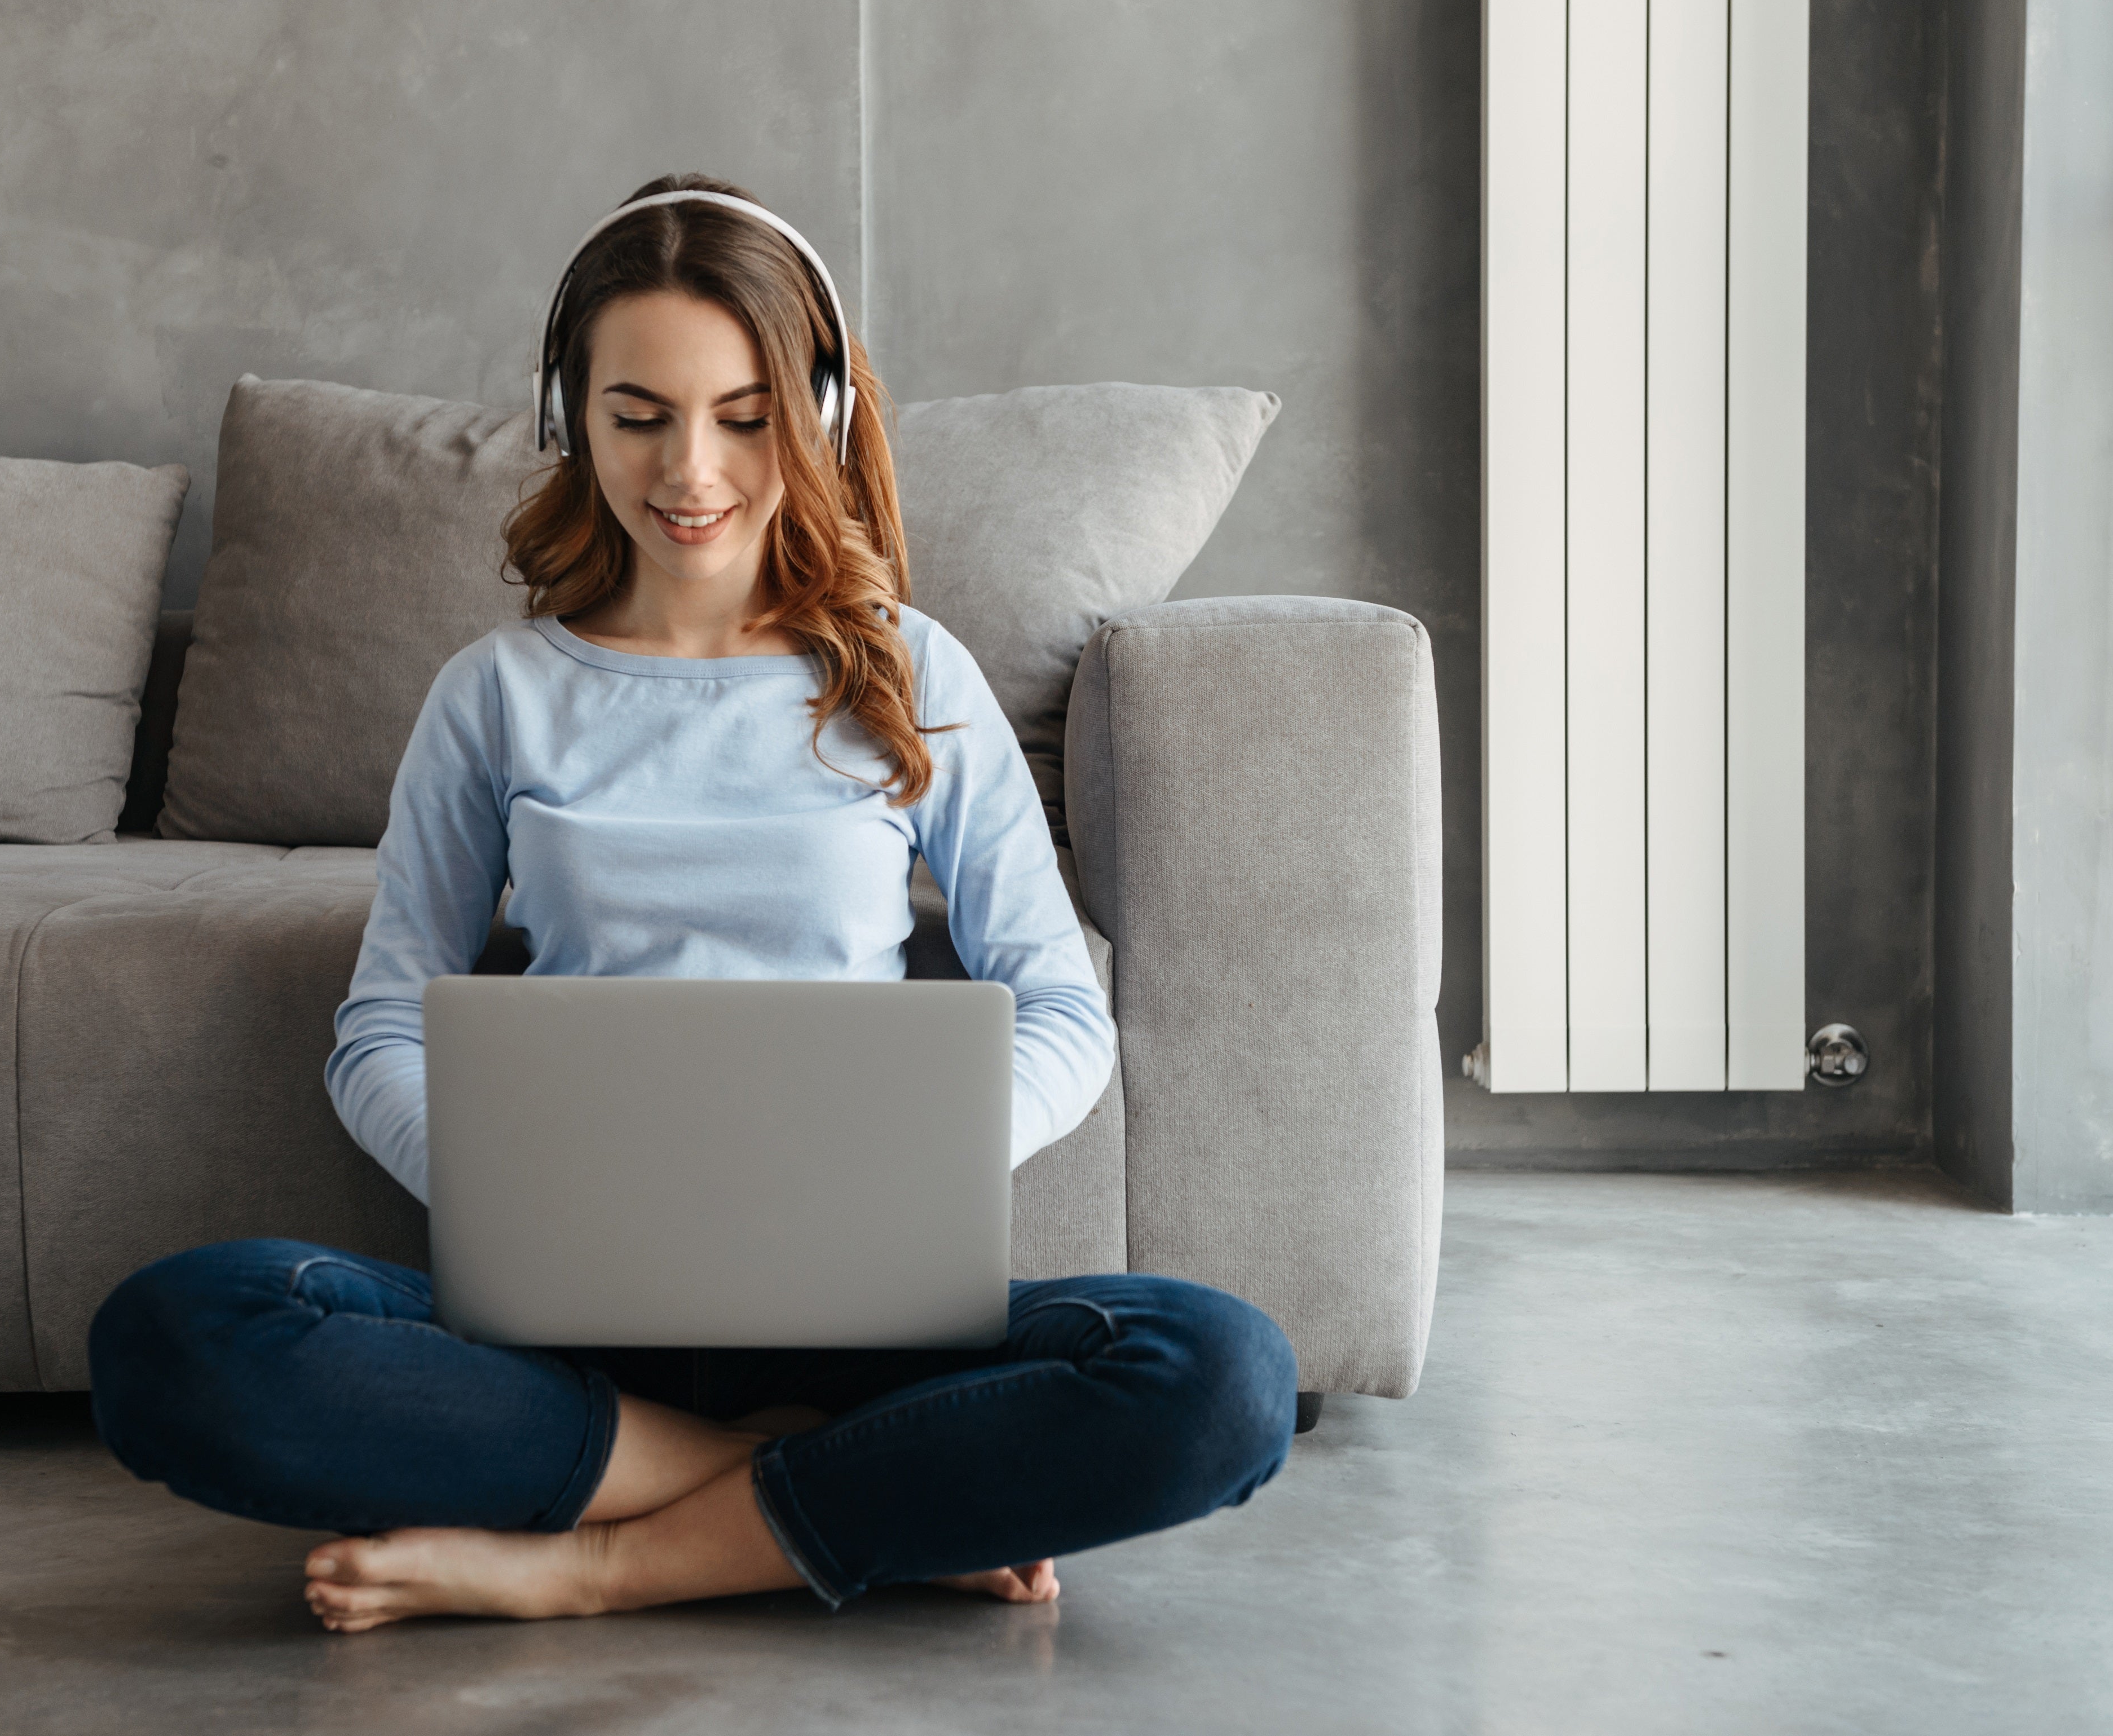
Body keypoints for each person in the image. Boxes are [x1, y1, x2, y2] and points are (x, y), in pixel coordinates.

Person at [85, 174, 1299, 1633]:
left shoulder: (910, 674)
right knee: (179, 1337)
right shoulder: (499, 696)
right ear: (569, 417)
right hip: (567, 1327)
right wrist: (507, 1177)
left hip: (868, 1312)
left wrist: (906, 1160)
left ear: (822, 416)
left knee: (1225, 1377)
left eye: (742, 413)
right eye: (638, 412)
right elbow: (378, 1025)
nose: (691, 468)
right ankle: (840, 1497)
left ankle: (607, 1554)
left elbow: (1061, 1005)